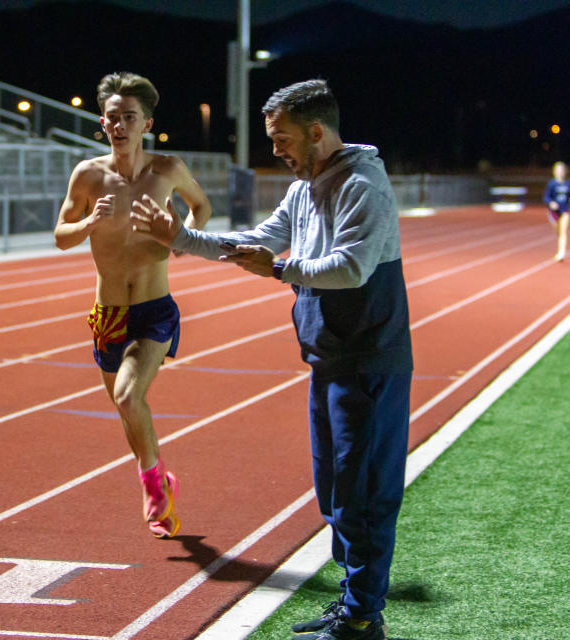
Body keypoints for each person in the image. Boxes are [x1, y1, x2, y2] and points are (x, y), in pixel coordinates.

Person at [131, 79, 411, 640]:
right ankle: (352, 604)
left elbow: (351, 268)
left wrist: (279, 268)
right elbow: (258, 239)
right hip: (329, 358)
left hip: (368, 359)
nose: (276, 150)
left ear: (316, 131)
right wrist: (181, 238)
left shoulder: (363, 183)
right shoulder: (305, 188)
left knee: (363, 495)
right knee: (335, 493)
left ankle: (362, 619)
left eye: (282, 138)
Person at [53, 72, 211, 538]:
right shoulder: (87, 175)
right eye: (113, 118)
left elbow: (201, 205)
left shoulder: (167, 170)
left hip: (153, 309)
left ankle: (153, 492)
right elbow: (60, 236)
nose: (120, 126)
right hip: (108, 316)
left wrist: (182, 237)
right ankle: (158, 475)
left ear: (147, 123)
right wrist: (86, 225)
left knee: (127, 394)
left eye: (130, 118)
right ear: (102, 123)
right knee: (127, 408)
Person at [542, 161, 570, 261]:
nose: (560, 172)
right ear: (554, 172)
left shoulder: (568, 183)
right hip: (554, 211)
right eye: (558, 170)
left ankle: (561, 251)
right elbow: (546, 197)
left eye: (562, 170)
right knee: (558, 231)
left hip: (565, 210)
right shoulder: (551, 184)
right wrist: (551, 203)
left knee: (563, 231)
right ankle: (560, 248)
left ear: (565, 172)